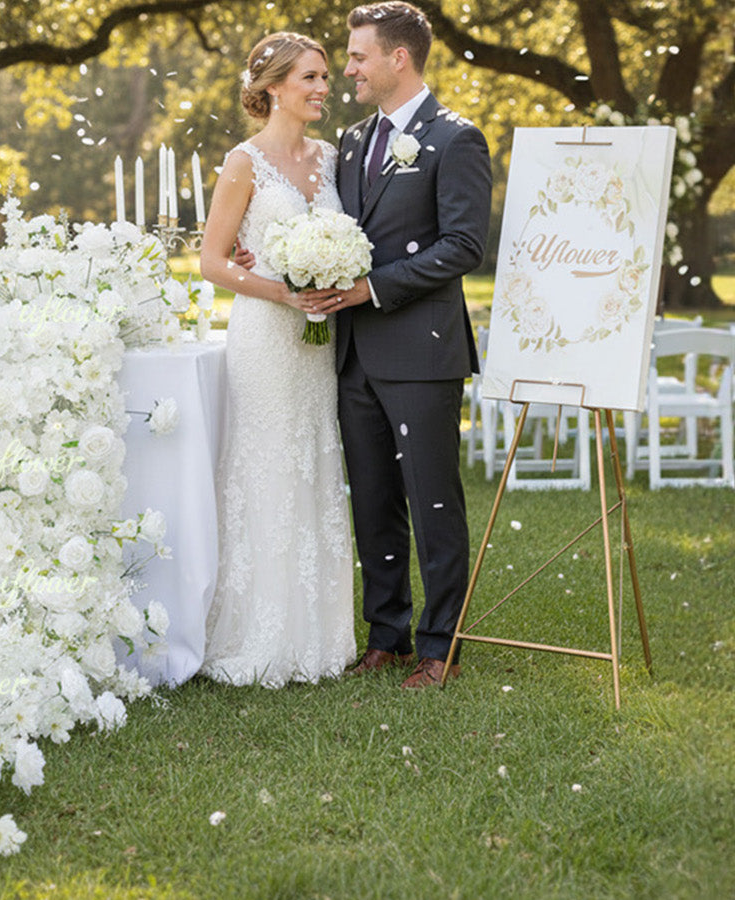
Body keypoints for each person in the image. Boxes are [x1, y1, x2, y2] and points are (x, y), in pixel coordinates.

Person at [306, 2, 492, 688]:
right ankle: (387, 635)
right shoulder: (354, 141)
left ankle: (441, 646)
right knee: (374, 499)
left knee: (433, 500)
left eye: (358, 57)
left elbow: (463, 246)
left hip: (422, 351)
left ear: (398, 58)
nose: (348, 70)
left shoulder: (456, 139)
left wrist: (373, 288)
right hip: (355, 353)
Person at [195, 32, 356, 687]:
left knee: (315, 460)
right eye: (310, 77)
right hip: (265, 335)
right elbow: (212, 262)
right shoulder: (244, 163)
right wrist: (282, 291)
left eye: (325, 76)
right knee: (266, 466)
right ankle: (258, 630)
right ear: (273, 87)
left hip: (320, 340)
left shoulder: (334, 157)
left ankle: (319, 631)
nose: (323, 87)